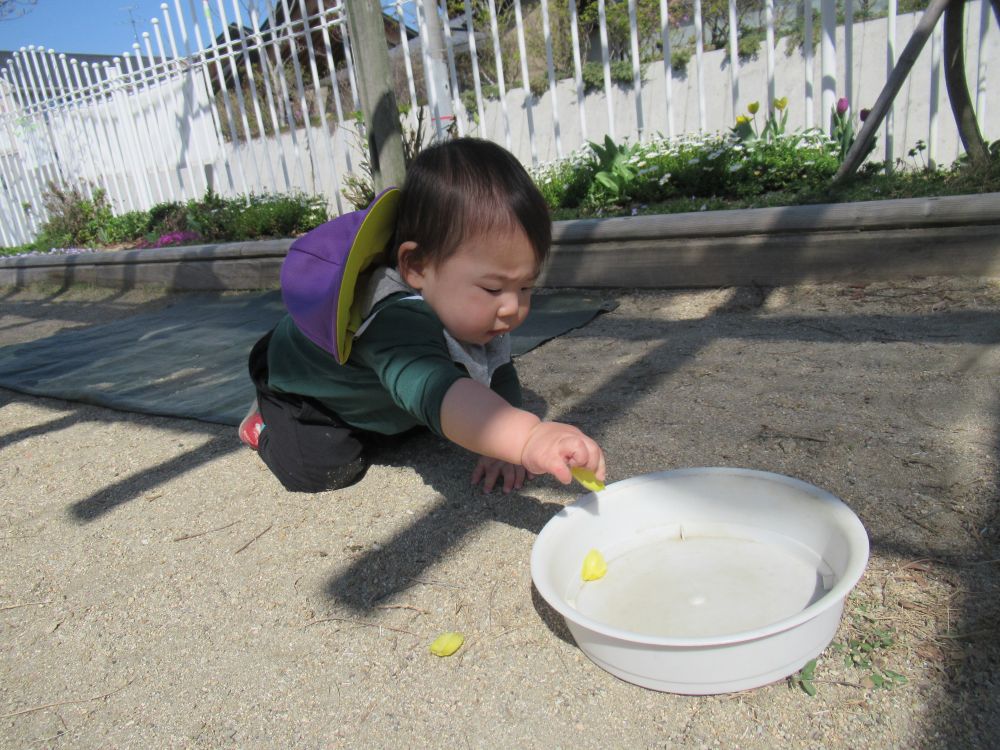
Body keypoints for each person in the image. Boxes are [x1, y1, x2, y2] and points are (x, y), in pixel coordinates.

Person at [239, 137, 605, 494]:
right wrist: (526, 437)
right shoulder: (395, 318)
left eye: (525, 287)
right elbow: (437, 389)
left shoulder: (478, 308)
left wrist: (503, 444)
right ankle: (263, 424)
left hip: (380, 388)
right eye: (494, 288)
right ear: (416, 267)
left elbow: (499, 370)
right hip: (305, 392)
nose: (513, 307)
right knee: (324, 467)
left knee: (430, 417)